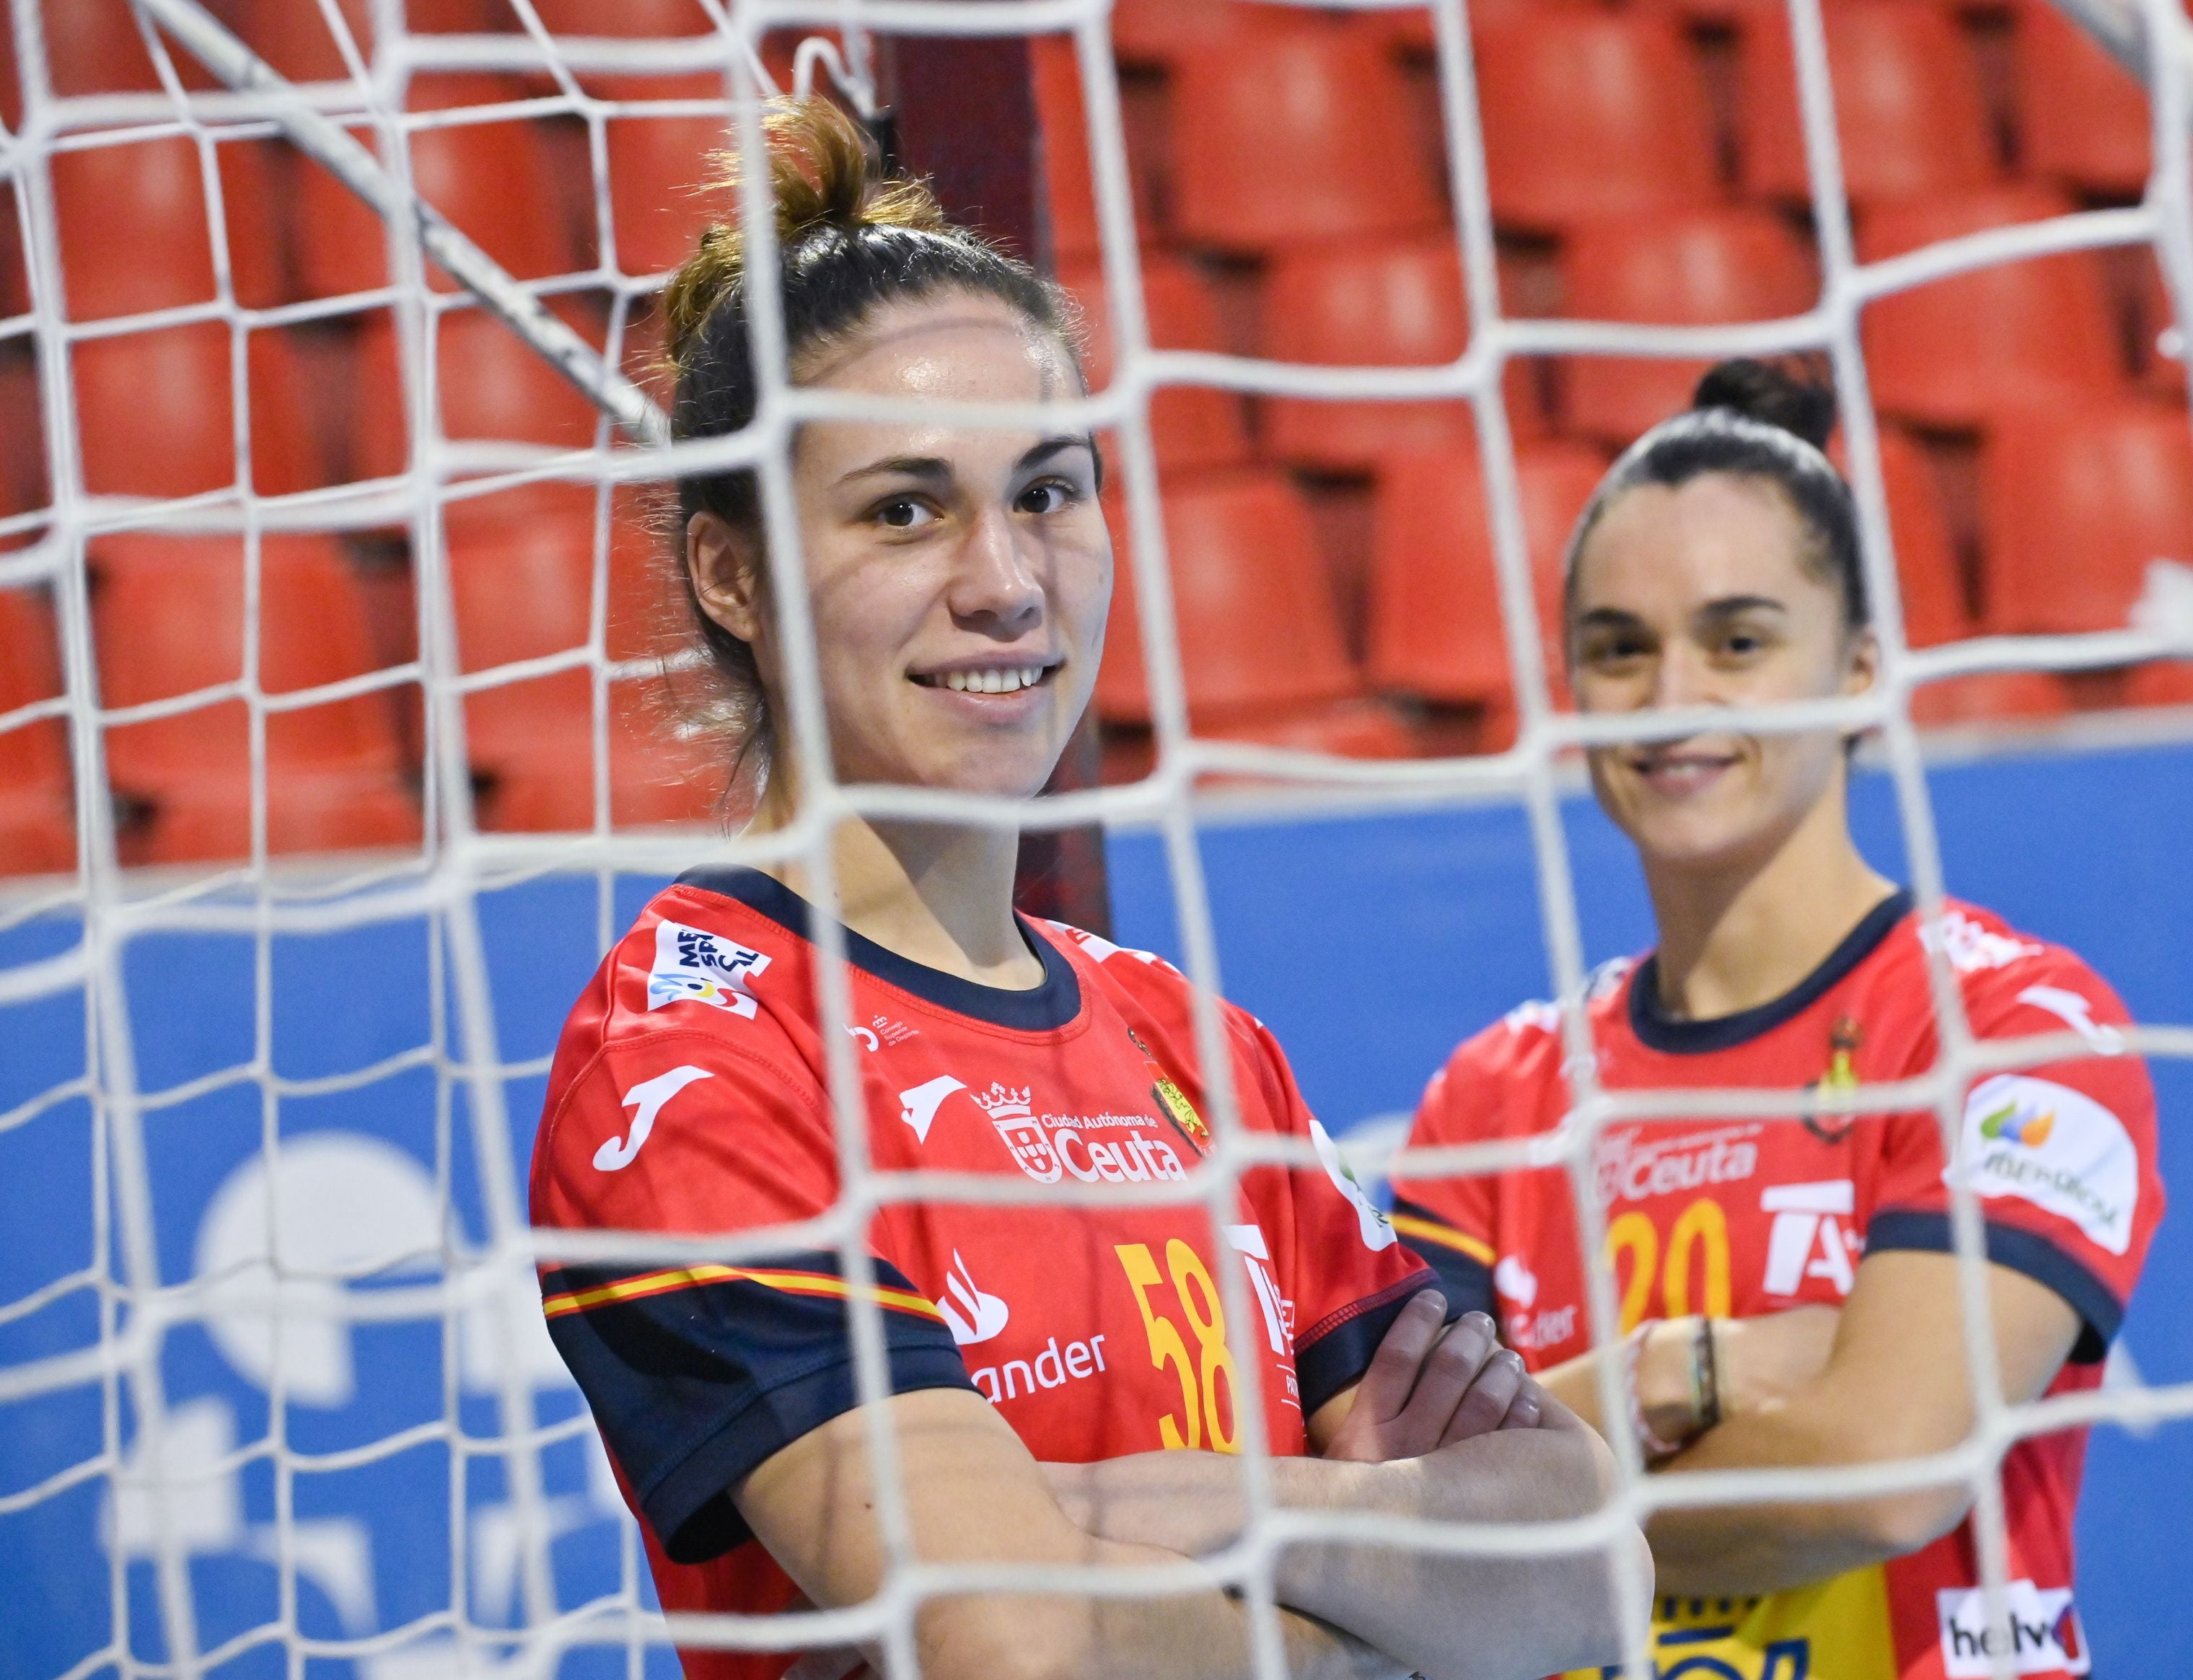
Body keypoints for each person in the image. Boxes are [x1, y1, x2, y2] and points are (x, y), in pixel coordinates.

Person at [527, 97, 1648, 1680]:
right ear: (732, 571)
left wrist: (1131, 1514)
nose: (1005, 580)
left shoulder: (1191, 1038)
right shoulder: (692, 1060)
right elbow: (1020, 1643)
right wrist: (1376, 1585)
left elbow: (1583, 1567)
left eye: (1048, 490)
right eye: (904, 508)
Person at [1391, 361, 2164, 1678]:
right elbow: (1401, 1501)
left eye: (1738, 641)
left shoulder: (2018, 1027)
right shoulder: (1494, 1093)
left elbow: (1883, 1472)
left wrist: (1527, 1470)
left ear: (1861, 669)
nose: (1673, 693)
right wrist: (1688, 1368)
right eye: (1622, 648)